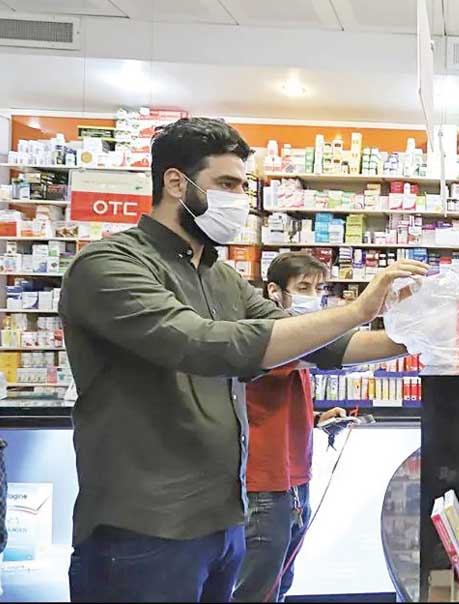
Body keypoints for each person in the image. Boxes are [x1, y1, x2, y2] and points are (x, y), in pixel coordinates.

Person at [60, 117, 427, 603]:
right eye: (227, 184)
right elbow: (205, 345)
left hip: (224, 521)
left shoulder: (221, 277)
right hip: (143, 530)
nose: (240, 200)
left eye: (242, 186)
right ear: (176, 183)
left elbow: (318, 346)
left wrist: (417, 336)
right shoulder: (109, 265)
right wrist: (358, 309)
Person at [233, 252, 347, 603]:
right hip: (265, 485)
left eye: (319, 288)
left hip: (296, 481)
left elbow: (270, 403)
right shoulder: (267, 337)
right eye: (303, 287)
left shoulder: (303, 339)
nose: (313, 296)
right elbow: (337, 354)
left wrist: (316, 420)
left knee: (280, 585)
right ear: (274, 291)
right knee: (256, 591)